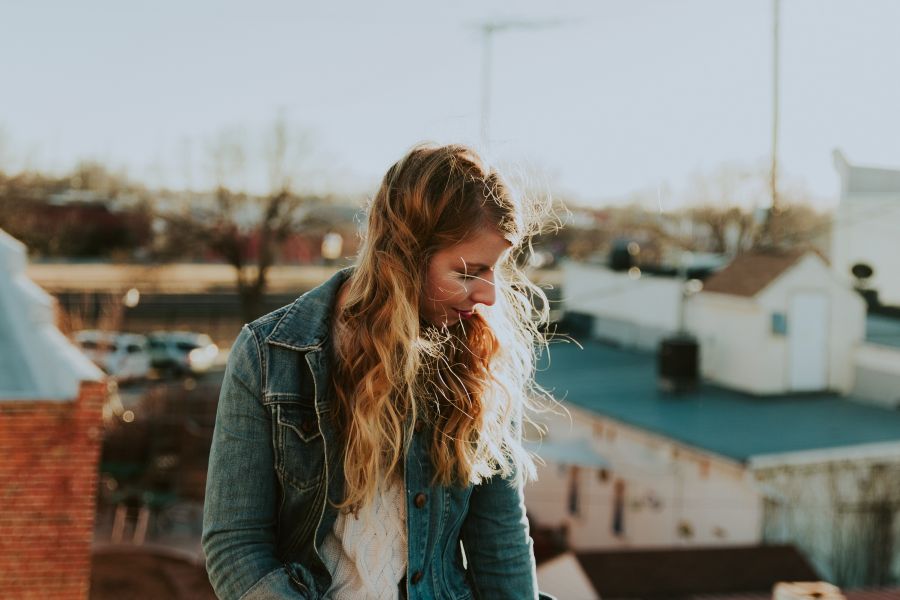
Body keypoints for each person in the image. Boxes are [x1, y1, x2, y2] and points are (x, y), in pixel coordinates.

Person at [202, 144, 557, 600]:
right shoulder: (270, 356)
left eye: (496, 271)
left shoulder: (480, 362)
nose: (488, 295)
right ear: (405, 255)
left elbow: (500, 544)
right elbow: (235, 546)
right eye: (470, 271)